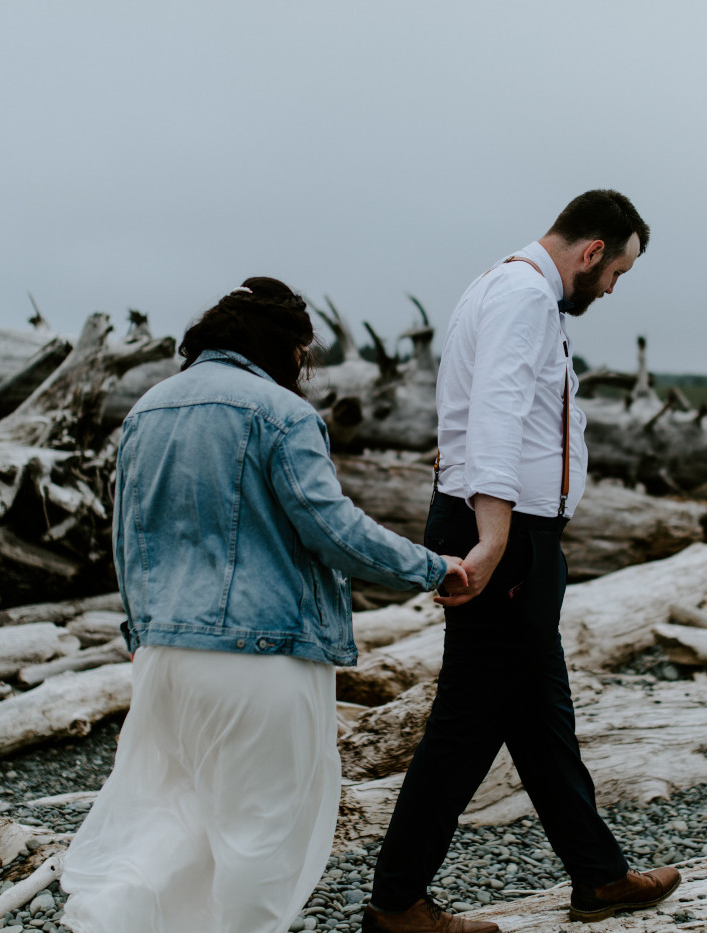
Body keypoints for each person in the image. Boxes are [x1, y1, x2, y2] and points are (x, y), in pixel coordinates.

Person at [60, 277, 468, 933]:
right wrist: (430, 568)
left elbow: (128, 535)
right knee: (260, 834)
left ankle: (112, 921)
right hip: (260, 655)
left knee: (173, 812)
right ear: (286, 347)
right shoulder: (281, 413)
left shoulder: (149, 408)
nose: (304, 369)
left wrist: (141, 629)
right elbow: (332, 528)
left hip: (163, 654)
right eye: (305, 355)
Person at [363, 191, 679, 933]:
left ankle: (597, 876)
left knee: (541, 715)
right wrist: (496, 536)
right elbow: (499, 410)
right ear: (592, 250)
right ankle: (397, 900)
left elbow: (477, 412)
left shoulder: (503, 288)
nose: (609, 290)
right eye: (616, 273)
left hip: (507, 528)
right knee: (468, 719)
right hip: (504, 535)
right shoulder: (525, 297)